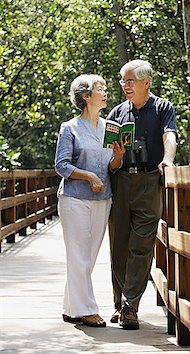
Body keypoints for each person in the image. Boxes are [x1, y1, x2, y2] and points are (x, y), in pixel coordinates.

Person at [108, 59, 177, 330]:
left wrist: (168, 159)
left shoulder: (162, 108)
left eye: (130, 81)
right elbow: (110, 162)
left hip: (150, 180)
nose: (125, 86)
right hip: (121, 181)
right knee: (119, 247)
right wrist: (117, 157)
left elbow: (169, 135)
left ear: (146, 83)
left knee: (142, 245)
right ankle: (118, 302)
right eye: (122, 81)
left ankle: (130, 305)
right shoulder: (116, 113)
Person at [55, 74, 125, 328]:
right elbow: (61, 165)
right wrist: (87, 176)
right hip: (74, 198)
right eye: (100, 88)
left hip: (102, 199)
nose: (105, 92)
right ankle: (87, 310)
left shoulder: (110, 127)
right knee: (78, 256)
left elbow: (112, 167)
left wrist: (118, 157)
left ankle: (70, 307)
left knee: (88, 257)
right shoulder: (69, 127)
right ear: (86, 96)